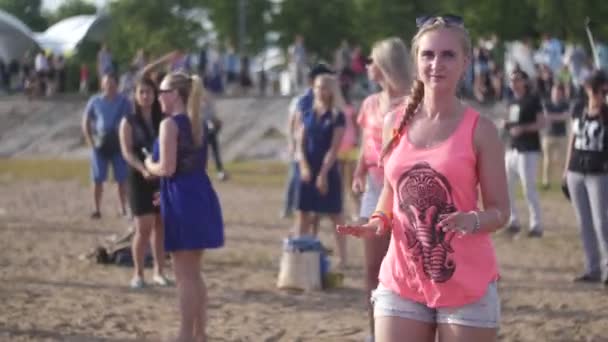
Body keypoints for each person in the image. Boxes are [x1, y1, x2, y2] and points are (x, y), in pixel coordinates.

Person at [338, 15, 510, 342]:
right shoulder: (394, 122)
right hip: (401, 279)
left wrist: (470, 221)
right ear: (416, 60)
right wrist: (376, 221)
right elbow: (391, 192)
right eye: (428, 55)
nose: (436, 64)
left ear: (465, 62)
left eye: (448, 55)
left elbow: (501, 211)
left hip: (466, 284)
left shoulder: (482, 130)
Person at [145, 71, 224, 341]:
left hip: (183, 201)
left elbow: (166, 168)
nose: (159, 97)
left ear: (175, 95)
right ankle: (200, 333)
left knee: (184, 275)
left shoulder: (170, 125)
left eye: (163, 92)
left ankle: (185, 335)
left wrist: (147, 164)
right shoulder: (197, 122)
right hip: (199, 195)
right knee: (194, 273)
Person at [351, 37, 410, 341]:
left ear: (386, 64)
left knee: (404, 265)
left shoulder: (414, 103)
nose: (367, 66)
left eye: (372, 61)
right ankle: (375, 333)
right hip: (374, 189)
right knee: (372, 267)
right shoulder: (369, 103)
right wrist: (359, 171)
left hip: (404, 192)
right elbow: (366, 143)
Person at [119, 77, 169, 289]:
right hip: (138, 178)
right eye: (142, 92)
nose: (146, 96)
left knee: (161, 224)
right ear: (136, 95)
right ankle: (138, 273)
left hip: (160, 178)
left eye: (149, 92)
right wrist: (142, 169)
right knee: (143, 227)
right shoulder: (128, 122)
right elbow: (127, 152)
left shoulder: (163, 119)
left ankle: (159, 271)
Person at [296, 74, 348, 267]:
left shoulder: (337, 116)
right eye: (317, 87)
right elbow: (299, 143)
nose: (320, 91)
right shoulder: (307, 112)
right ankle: (300, 251)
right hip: (307, 168)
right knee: (303, 212)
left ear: (332, 90)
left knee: (336, 213)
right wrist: (302, 165)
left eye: (324, 87)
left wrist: (323, 174)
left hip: (327, 168)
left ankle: (343, 257)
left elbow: (334, 149)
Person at [564, 70, 608, 285]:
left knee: (602, 222)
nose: (603, 94)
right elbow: (572, 140)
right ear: (591, 89)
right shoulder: (578, 109)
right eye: (600, 90)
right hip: (576, 171)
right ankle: (592, 269)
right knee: (584, 223)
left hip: (599, 172)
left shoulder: (606, 113)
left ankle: (607, 268)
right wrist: (565, 170)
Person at [281, 64, 334, 219]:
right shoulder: (303, 100)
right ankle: (290, 206)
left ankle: (316, 211)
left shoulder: (330, 99)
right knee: (296, 178)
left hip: (318, 148)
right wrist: (293, 143)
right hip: (303, 146)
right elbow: (294, 123)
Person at [82, 73, 133, 219]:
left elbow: (131, 121)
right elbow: (86, 120)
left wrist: (128, 141)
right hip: (100, 144)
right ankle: (96, 209)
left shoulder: (124, 102)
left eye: (112, 83)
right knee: (97, 179)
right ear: (102, 85)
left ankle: (123, 208)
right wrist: (90, 141)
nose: (109, 86)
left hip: (118, 143)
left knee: (121, 179)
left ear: (117, 85)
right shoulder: (95, 101)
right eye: (107, 83)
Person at [503, 69, 544, 237]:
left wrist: (523, 129)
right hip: (512, 149)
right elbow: (512, 123)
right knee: (507, 187)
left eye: (517, 80)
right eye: (511, 80)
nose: (513, 83)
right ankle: (513, 221)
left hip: (529, 150)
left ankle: (536, 225)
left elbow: (541, 123)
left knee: (528, 188)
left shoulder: (533, 100)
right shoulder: (512, 101)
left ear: (524, 82)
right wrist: (507, 124)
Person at [541, 83, 570, 188]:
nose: (556, 94)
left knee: (562, 160)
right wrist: (559, 116)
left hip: (561, 135)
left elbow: (566, 117)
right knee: (547, 160)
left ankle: (564, 181)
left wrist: (554, 117)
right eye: (554, 92)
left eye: (558, 92)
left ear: (561, 93)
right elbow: (546, 116)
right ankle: (546, 182)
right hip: (548, 135)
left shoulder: (564, 104)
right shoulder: (547, 103)